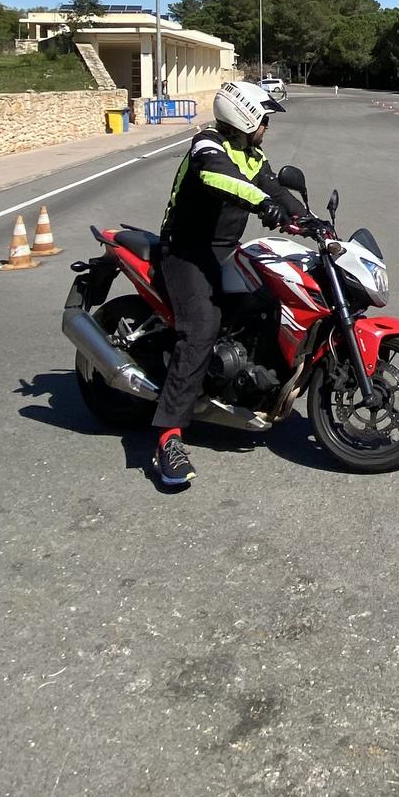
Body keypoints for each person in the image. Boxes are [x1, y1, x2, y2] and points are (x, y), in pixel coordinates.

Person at [148, 78, 311, 489]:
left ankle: (246, 387)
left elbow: (272, 187)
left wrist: (310, 222)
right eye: (264, 119)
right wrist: (264, 204)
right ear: (245, 116)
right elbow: (221, 180)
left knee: (270, 302)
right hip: (186, 251)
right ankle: (168, 438)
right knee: (201, 328)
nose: (267, 127)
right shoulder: (207, 144)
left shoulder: (253, 154)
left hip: (226, 250)